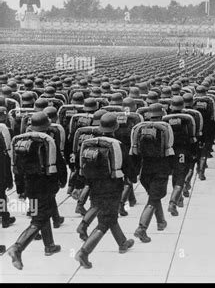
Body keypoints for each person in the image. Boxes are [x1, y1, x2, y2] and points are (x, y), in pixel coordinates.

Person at [75, 112, 136, 269]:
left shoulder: (88, 143)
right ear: (115, 127)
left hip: (94, 186)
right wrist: (132, 178)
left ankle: (123, 243)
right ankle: (84, 251)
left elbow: (80, 166)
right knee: (105, 221)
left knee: (109, 216)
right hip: (112, 187)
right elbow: (128, 167)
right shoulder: (116, 144)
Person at [7, 112, 67, 270]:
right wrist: (62, 181)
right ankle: (17, 248)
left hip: (28, 185)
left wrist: (20, 188)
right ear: (47, 126)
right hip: (45, 185)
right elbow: (59, 164)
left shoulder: (21, 140)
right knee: (39, 219)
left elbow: (16, 168)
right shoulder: (48, 141)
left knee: (39, 213)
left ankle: (49, 245)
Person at [132, 103, 174, 241]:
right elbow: (170, 149)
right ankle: (142, 227)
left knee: (153, 196)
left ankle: (161, 222)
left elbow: (134, 151)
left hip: (145, 169)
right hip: (160, 168)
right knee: (154, 198)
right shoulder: (165, 127)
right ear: (162, 114)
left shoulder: (138, 127)